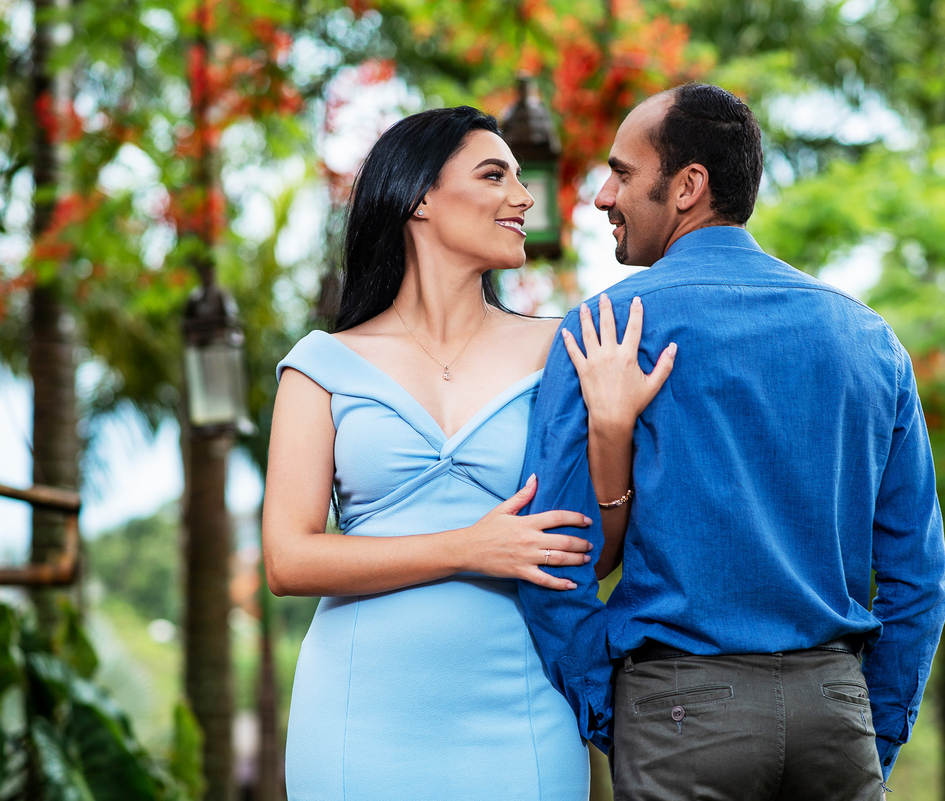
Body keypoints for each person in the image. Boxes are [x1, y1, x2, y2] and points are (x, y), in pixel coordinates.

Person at [517, 83, 945, 800]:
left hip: (678, 715)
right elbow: (920, 580)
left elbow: (554, 557)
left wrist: (617, 709)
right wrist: (867, 729)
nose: (601, 196)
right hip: (835, 715)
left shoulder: (603, 332)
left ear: (687, 187)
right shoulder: (871, 340)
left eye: (622, 173)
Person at [262, 106, 674, 801]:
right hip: (356, 714)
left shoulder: (562, 349)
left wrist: (611, 429)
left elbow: (593, 556)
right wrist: (469, 548)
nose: (524, 197)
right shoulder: (321, 365)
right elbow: (288, 559)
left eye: (520, 177)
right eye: (494, 176)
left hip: (521, 709)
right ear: (420, 197)